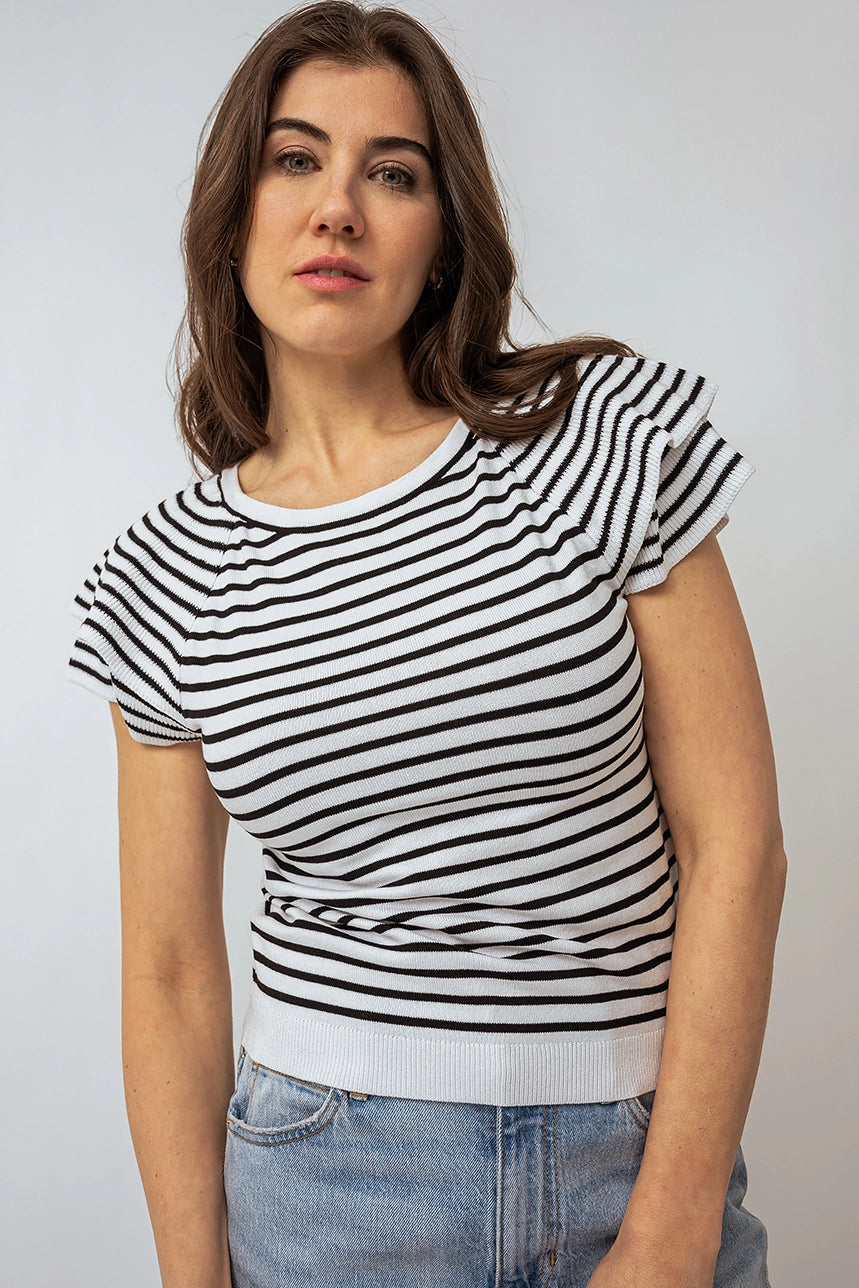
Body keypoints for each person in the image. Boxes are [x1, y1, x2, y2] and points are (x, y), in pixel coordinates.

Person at [67, 3, 787, 1286]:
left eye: (392, 174)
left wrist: (674, 1229)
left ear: (442, 238)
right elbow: (170, 969)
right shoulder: (163, 576)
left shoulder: (602, 436)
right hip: (328, 1188)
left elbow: (735, 843)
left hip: (633, 1156)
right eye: (295, 159)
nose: (338, 208)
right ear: (233, 212)